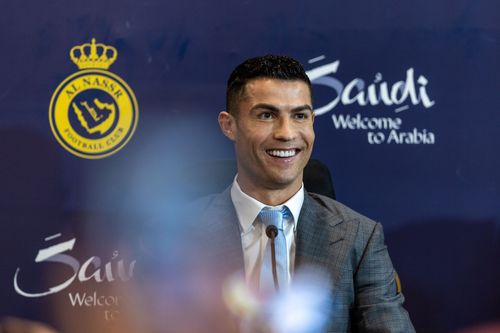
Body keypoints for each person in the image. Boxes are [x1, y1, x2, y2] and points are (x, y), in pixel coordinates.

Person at [190, 54, 415, 332]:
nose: (286, 133)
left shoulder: (360, 238)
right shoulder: (177, 236)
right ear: (229, 125)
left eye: (299, 116)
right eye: (266, 115)